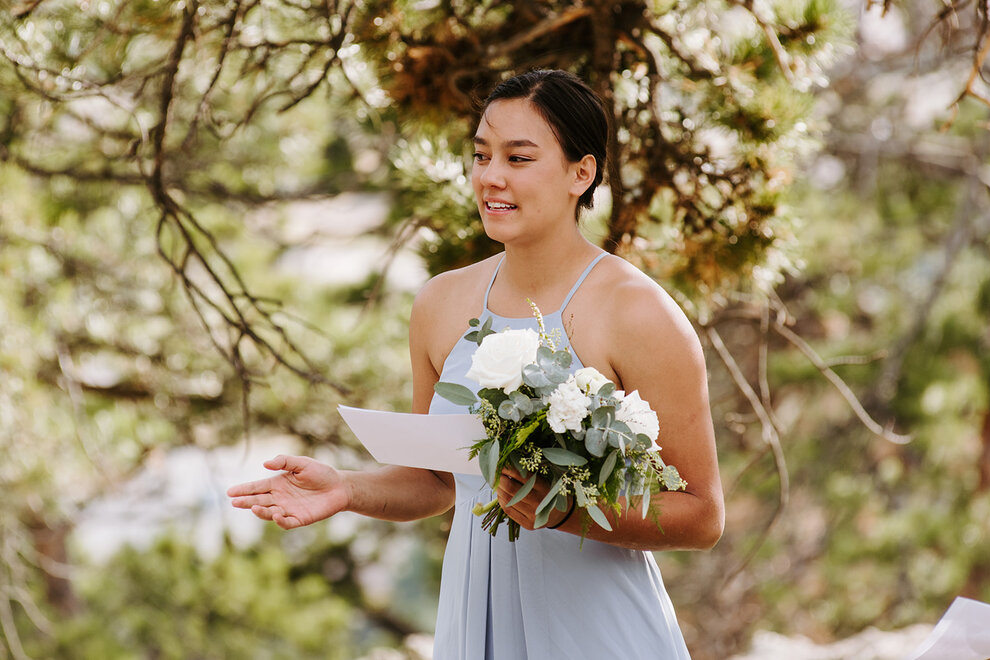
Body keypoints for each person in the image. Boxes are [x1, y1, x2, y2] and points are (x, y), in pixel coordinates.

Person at [228, 69, 724, 659]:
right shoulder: (440, 304)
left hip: (597, 629)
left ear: (581, 173)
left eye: (518, 158)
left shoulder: (638, 313)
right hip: (474, 624)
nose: (491, 177)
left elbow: (700, 515)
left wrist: (566, 511)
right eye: (481, 155)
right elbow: (438, 481)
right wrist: (345, 488)